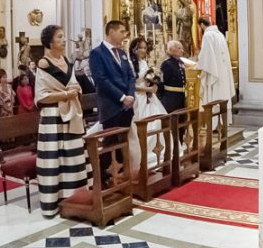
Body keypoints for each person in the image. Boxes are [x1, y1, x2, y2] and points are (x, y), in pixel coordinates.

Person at [34, 24, 89, 218]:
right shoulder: (44, 63)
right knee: (54, 159)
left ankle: (74, 198)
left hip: (71, 113)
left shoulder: (65, 60)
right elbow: (41, 96)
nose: (64, 40)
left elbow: (74, 83)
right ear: (50, 42)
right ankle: (53, 203)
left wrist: (74, 90)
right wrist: (66, 93)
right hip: (52, 116)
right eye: (59, 37)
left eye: (64, 36)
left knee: (71, 156)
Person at [89, 19, 136, 175]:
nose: (124, 35)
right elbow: (101, 80)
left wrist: (130, 95)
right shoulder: (97, 53)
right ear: (111, 32)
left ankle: (122, 175)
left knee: (123, 141)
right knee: (110, 142)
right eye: (122, 31)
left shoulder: (122, 53)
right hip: (111, 105)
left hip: (126, 106)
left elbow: (130, 76)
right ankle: (101, 177)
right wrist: (122, 97)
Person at [127, 37, 167, 173]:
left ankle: (159, 152)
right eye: (140, 48)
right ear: (134, 49)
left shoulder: (144, 62)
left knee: (158, 122)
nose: (143, 50)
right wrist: (147, 89)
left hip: (150, 98)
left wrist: (153, 85)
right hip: (138, 98)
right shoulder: (130, 64)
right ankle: (144, 155)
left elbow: (149, 79)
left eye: (144, 48)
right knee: (142, 125)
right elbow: (132, 85)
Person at [196, 16, 234, 125]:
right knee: (221, 97)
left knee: (214, 97)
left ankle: (213, 125)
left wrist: (199, 65)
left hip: (214, 73)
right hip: (222, 73)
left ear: (202, 25)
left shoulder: (208, 35)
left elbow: (206, 57)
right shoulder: (220, 34)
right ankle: (222, 124)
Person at [159, 40, 187, 113]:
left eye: (182, 48)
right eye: (179, 48)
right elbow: (162, 82)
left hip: (181, 97)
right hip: (171, 98)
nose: (182, 50)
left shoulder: (181, 63)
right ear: (171, 49)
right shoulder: (167, 64)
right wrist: (163, 99)